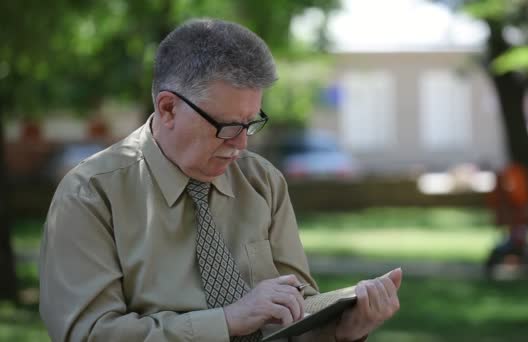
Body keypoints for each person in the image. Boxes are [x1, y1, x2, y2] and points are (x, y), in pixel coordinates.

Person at [39, 18, 402, 341]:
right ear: (168, 108)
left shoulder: (263, 182)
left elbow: (297, 317)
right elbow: (88, 333)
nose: (241, 143)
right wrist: (228, 321)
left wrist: (342, 331)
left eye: (249, 123)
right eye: (226, 126)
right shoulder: (90, 194)